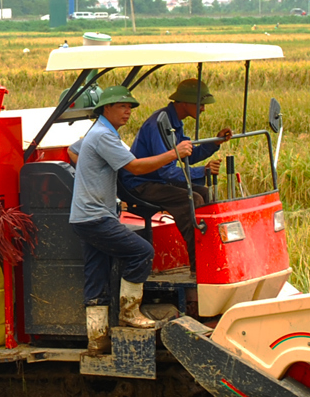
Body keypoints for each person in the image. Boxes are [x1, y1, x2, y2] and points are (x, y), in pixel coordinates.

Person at [70, 86, 193, 352]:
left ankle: (97, 339)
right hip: (95, 216)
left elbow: (73, 151)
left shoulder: (98, 132)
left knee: (96, 274)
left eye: (130, 108)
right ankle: (129, 313)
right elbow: (135, 167)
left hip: (86, 215)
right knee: (142, 251)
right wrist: (175, 154)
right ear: (106, 109)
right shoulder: (104, 136)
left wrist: (90, 177)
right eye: (122, 106)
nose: (128, 112)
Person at [120, 79, 233, 271]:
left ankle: (211, 253)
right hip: (141, 183)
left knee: (205, 194)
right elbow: (168, 171)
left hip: (157, 179)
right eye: (200, 104)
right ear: (185, 102)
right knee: (192, 198)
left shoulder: (173, 123)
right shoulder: (159, 124)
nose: (203, 109)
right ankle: (199, 266)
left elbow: (187, 156)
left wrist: (214, 143)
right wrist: (202, 171)